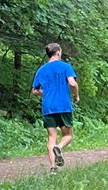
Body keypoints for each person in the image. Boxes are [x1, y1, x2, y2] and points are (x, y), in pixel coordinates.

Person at [32, 42, 79, 174]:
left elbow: (34, 91)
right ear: (58, 52)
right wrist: (76, 95)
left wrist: (45, 93)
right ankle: (59, 147)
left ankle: (53, 168)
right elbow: (72, 83)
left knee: (51, 136)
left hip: (48, 107)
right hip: (63, 105)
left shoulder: (41, 70)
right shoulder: (65, 66)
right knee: (68, 135)